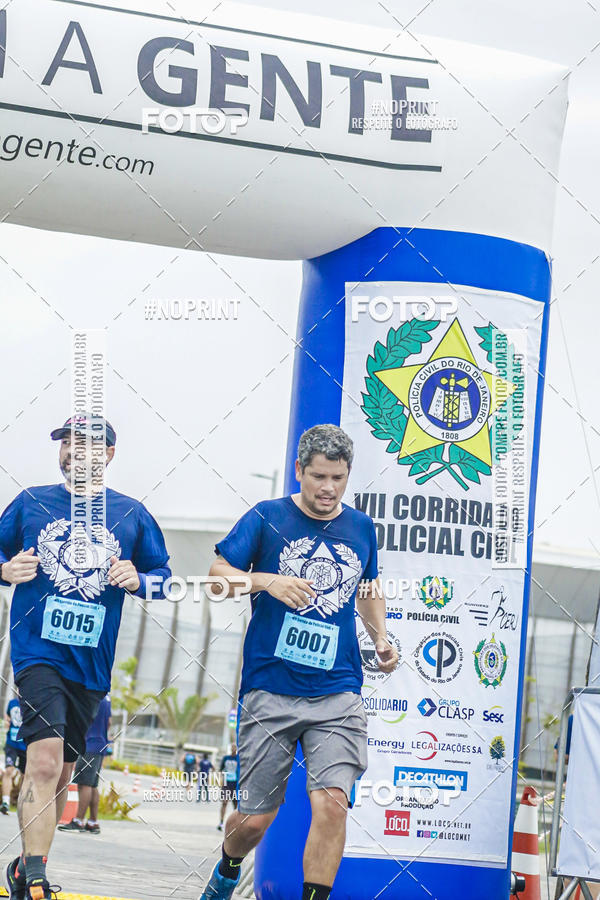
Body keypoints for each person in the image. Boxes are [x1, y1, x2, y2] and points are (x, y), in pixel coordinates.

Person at [200, 424, 398, 900]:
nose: (328, 488)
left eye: (338, 478)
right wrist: (266, 581)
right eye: (319, 477)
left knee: (332, 803)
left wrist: (382, 637)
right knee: (253, 821)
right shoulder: (267, 517)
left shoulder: (361, 527)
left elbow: (367, 589)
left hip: (338, 690)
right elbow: (215, 578)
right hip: (271, 688)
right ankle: (227, 870)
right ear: (299, 471)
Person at [0, 414, 170, 900]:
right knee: (45, 760)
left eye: (87, 445)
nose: (74, 452)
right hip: (38, 654)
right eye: (68, 443)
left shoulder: (131, 514)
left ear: (109, 455)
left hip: (91, 664)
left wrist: (140, 579)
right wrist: (5, 568)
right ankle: (36, 881)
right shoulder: (32, 503)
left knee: (62, 771)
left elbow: (165, 578)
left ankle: (25, 867)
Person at [58, 694, 112, 835]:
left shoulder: (92, 694)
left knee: (84, 784)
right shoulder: (106, 697)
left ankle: (78, 821)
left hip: (89, 744)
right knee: (93, 785)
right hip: (101, 743)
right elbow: (109, 722)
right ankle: (93, 822)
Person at [2, 693, 27, 814]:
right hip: (12, 743)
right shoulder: (12, 703)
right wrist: (7, 722)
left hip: (26, 745)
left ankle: (20, 803)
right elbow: (7, 717)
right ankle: (5, 802)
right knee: (9, 771)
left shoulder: (31, 702)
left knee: (25, 775)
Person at [217, 745, 238, 828]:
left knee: (235, 805)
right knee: (224, 802)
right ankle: (221, 822)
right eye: (232, 747)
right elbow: (220, 770)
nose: (233, 748)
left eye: (235, 747)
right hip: (226, 783)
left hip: (235, 784)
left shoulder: (239, 759)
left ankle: (235, 824)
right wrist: (221, 780)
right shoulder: (226, 758)